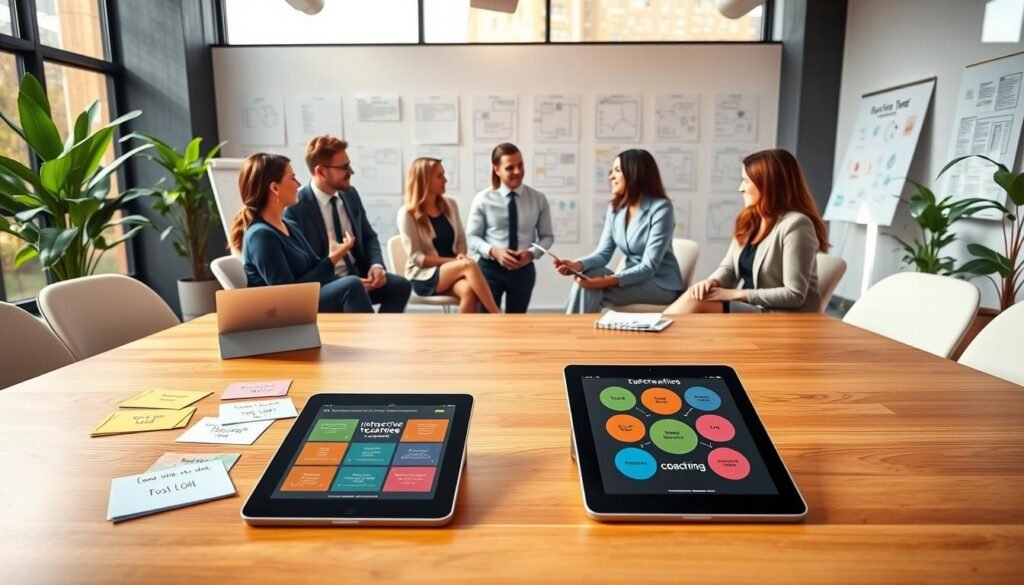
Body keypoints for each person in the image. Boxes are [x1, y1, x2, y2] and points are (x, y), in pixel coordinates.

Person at [663, 148, 828, 315]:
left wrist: (735, 294)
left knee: (694, 302)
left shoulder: (796, 225)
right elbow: (729, 268)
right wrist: (712, 282)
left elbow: (794, 295)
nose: (740, 188)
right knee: (694, 296)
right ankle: (655, 330)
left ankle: (655, 330)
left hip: (782, 315)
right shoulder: (749, 220)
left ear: (768, 184)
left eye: (746, 181)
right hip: (755, 308)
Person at [230, 153, 375, 313]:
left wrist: (333, 259)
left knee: (353, 283)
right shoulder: (261, 236)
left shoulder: (289, 225)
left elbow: (315, 269)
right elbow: (287, 295)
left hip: (301, 299)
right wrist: (333, 260)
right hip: (283, 312)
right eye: (292, 178)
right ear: (275, 188)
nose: (298, 184)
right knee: (351, 285)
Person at [283, 135, 411, 313]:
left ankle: (382, 328)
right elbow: (303, 269)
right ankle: (370, 331)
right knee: (352, 287)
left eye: (349, 164)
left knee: (400, 286)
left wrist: (376, 266)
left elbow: (368, 236)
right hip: (326, 283)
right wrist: (345, 282)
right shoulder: (295, 208)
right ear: (321, 171)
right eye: (344, 167)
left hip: (359, 274)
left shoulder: (350, 194)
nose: (351, 171)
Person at [555, 149, 684, 313]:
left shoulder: (661, 209)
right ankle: (575, 327)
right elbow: (603, 254)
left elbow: (648, 267)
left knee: (591, 287)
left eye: (617, 171)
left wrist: (605, 281)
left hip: (660, 284)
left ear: (634, 173)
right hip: (630, 278)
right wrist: (577, 265)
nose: (611, 177)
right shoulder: (615, 208)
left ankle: (571, 327)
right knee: (588, 274)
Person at [397, 158, 502, 314]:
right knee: (469, 265)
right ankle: (497, 314)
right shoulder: (407, 213)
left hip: (453, 270)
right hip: (424, 276)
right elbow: (417, 258)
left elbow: (460, 240)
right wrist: (456, 262)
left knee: (469, 291)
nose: (445, 180)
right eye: (439, 176)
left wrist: (460, 256)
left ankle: (461, 331)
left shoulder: (450, 205)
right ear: (425, 181)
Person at [466, 143, 555, 313]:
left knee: (517, 323)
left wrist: (531, 254)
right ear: (497, 169)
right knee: (487, 322)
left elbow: (547, 236)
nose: (517, 171)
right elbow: (471, 237)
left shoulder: (538, 199)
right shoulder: (482, 199)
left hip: (524, 270)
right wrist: (494, 251)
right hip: (489, 270)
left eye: (520, 165)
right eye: (510, 168)